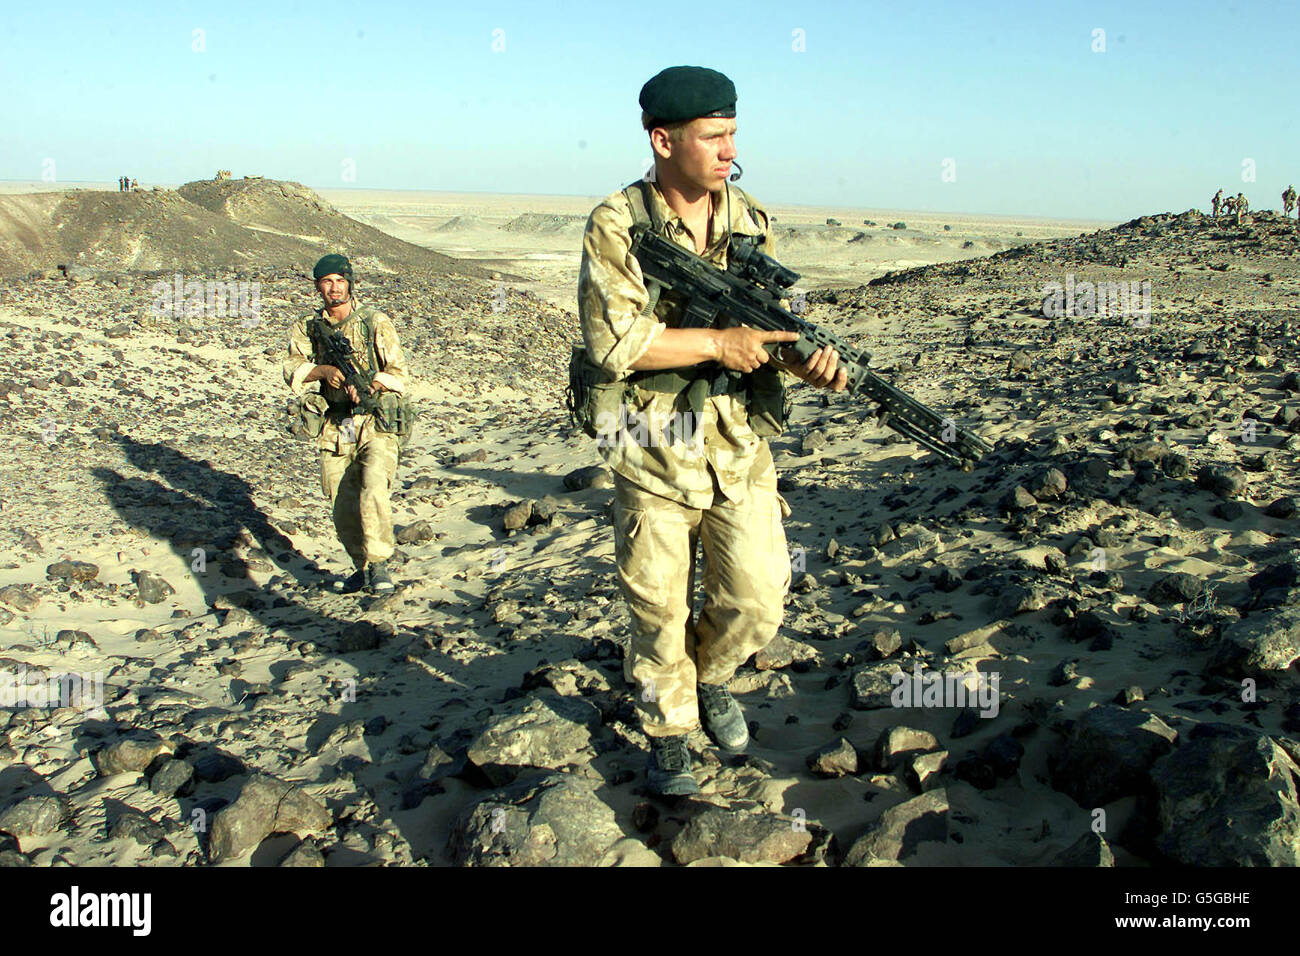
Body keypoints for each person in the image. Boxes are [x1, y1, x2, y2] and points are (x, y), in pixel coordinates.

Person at [577, 65, 848, 796]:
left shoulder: (750, 217)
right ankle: (668, 729)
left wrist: (807, 366)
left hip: (736, 442)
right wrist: (714, 343)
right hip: (650, 442)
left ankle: (713, 678)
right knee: (659, 609)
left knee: (759, 597)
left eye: (733, 134)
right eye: (713, 136)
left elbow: (766, 334)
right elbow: (615, 343)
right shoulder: (617, 223)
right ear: (663, 141)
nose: (729, 149)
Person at [282, 253, 409, 594]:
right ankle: (363, 566)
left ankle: (380, 565)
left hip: (374, 422)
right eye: (327, 282)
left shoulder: (374, 321)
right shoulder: (309, 328)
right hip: (336, 426)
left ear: (350, 284)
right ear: (318, 287)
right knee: (341, 502)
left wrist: (370, 385)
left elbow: (399, 373)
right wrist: (324, 372)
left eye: (340, 281)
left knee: (371, 488)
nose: (334, 288)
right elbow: (292, 369)